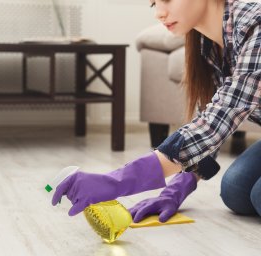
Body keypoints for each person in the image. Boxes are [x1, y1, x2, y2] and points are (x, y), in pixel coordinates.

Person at [52, 0, 261, 222]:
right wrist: (174, 190)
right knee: (236, 191)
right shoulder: (207, 43)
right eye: (154, 3)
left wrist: (114, 182)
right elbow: (211, 124)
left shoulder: (254, 26)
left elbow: (220, 118)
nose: (159, 13)